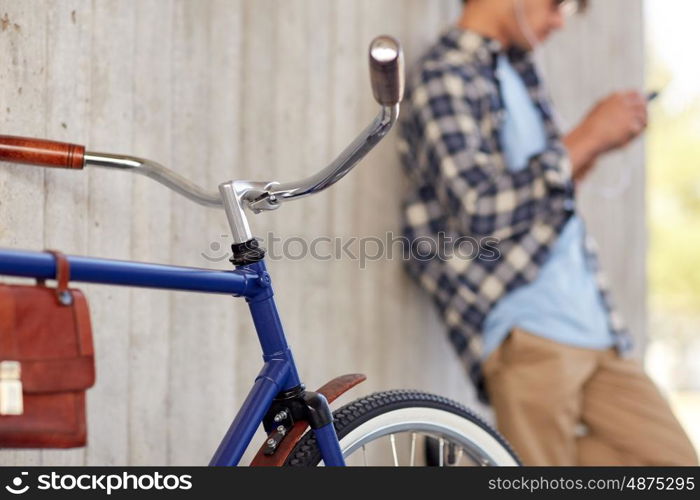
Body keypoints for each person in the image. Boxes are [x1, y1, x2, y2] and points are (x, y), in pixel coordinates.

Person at [398, 0, 698, 466]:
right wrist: (587, 136)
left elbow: (541, 202)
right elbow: (478, 210)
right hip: (526, 329)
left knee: (674, 465)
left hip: (594, 324)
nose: (560, 21)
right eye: (557, 5)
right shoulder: (445, 74)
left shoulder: (518, 69)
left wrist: (594, 148)